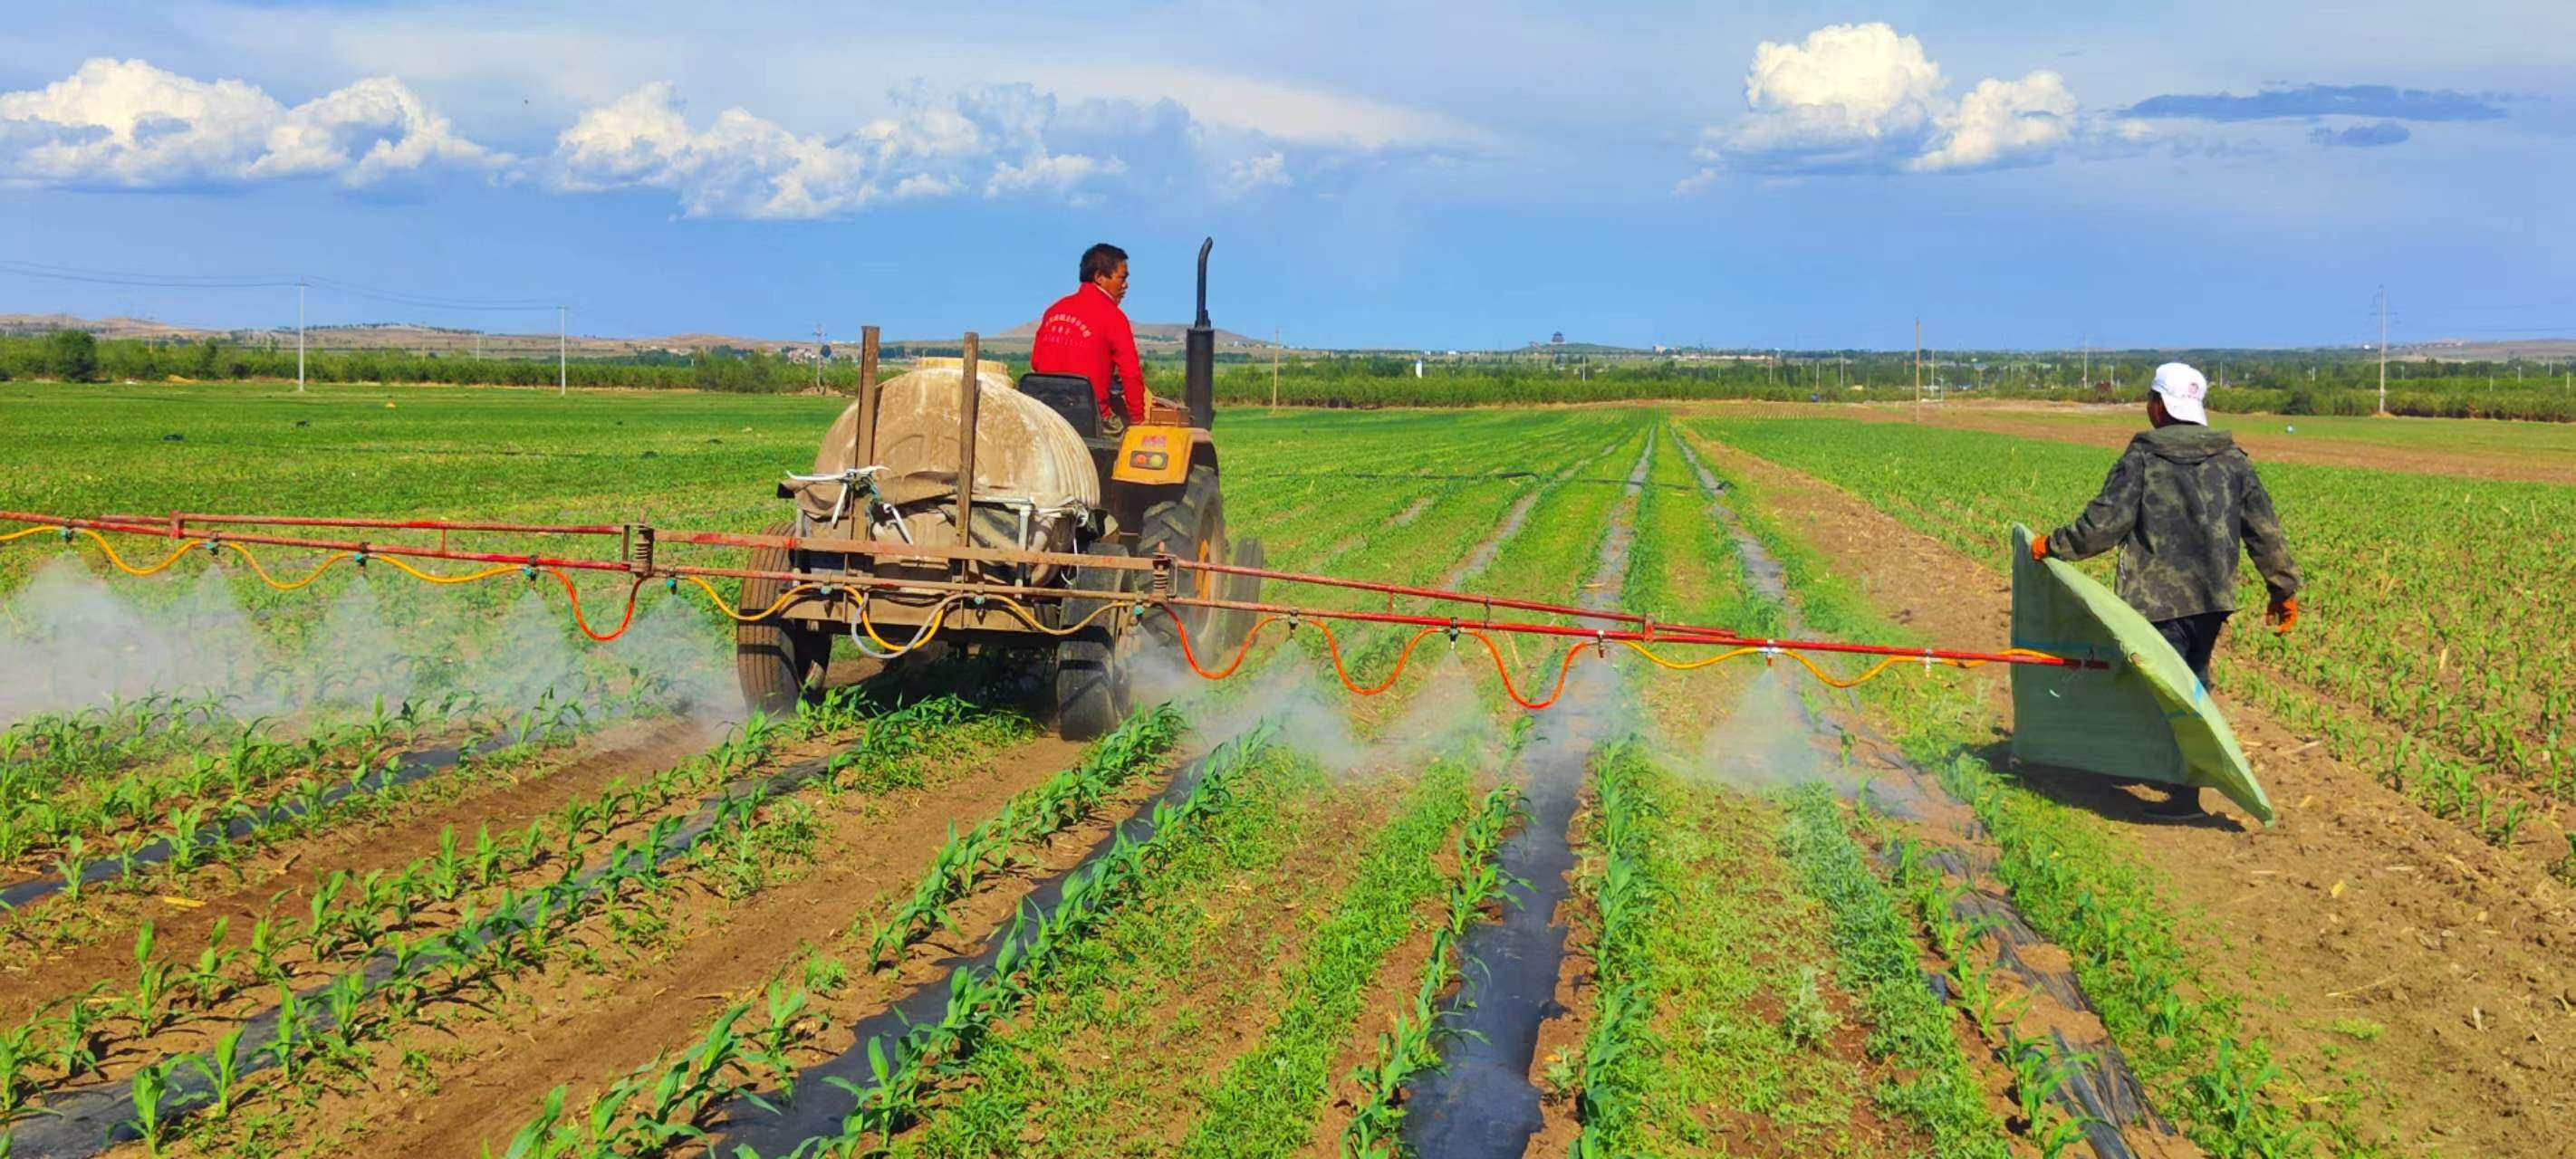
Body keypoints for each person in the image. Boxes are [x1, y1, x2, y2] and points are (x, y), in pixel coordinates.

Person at [2031, 361, 2302, 818]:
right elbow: (2264, 530)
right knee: (2191, 687)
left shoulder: (2143, 460)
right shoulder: (2234, 462)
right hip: (2212, 600)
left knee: (2160, 694)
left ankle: (2182, 794)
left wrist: (2052, 545)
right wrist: (2283, 589)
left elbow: (2104, 525)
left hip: (2154, 601)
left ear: (2157, 406)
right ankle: (2175, 779)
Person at [1030, 243, 1151, 432]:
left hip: (1045, 414)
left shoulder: (1054, 310)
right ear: (1100, 277)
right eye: (1122, 278)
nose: (1125, 285)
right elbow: (1131, 373)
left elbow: (1037, 362)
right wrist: (1137, 420)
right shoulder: (1114, 317)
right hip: (1090, 419)